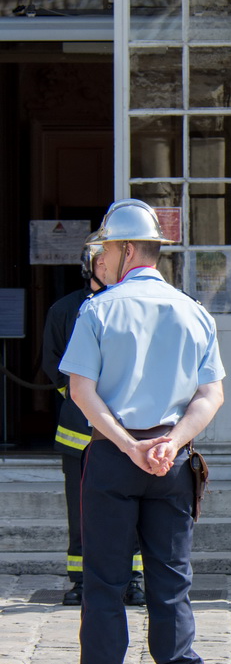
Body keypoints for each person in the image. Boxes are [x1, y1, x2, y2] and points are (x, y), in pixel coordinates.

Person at [59, 199, 225, 664]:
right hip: (171, 462)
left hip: (113, 459)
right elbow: (211, 395)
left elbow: (81, 389)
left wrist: (129, 446)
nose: (100, 261)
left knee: (103, 584)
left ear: (127, 250)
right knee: (171, 584)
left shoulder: (99, 311)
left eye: (105, 249)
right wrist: (170, 442)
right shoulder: (192, 310)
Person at [42, 234, 147, 607]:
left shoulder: (129, 306)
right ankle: (82, 579)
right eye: (100, 258)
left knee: (130, 510)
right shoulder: (65, 310)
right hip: (79, 435)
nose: (106, 264)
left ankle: (131, 578)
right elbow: (54, 367)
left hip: (124, 431)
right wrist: (85, 403)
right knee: (82, 509)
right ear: (90, 264)